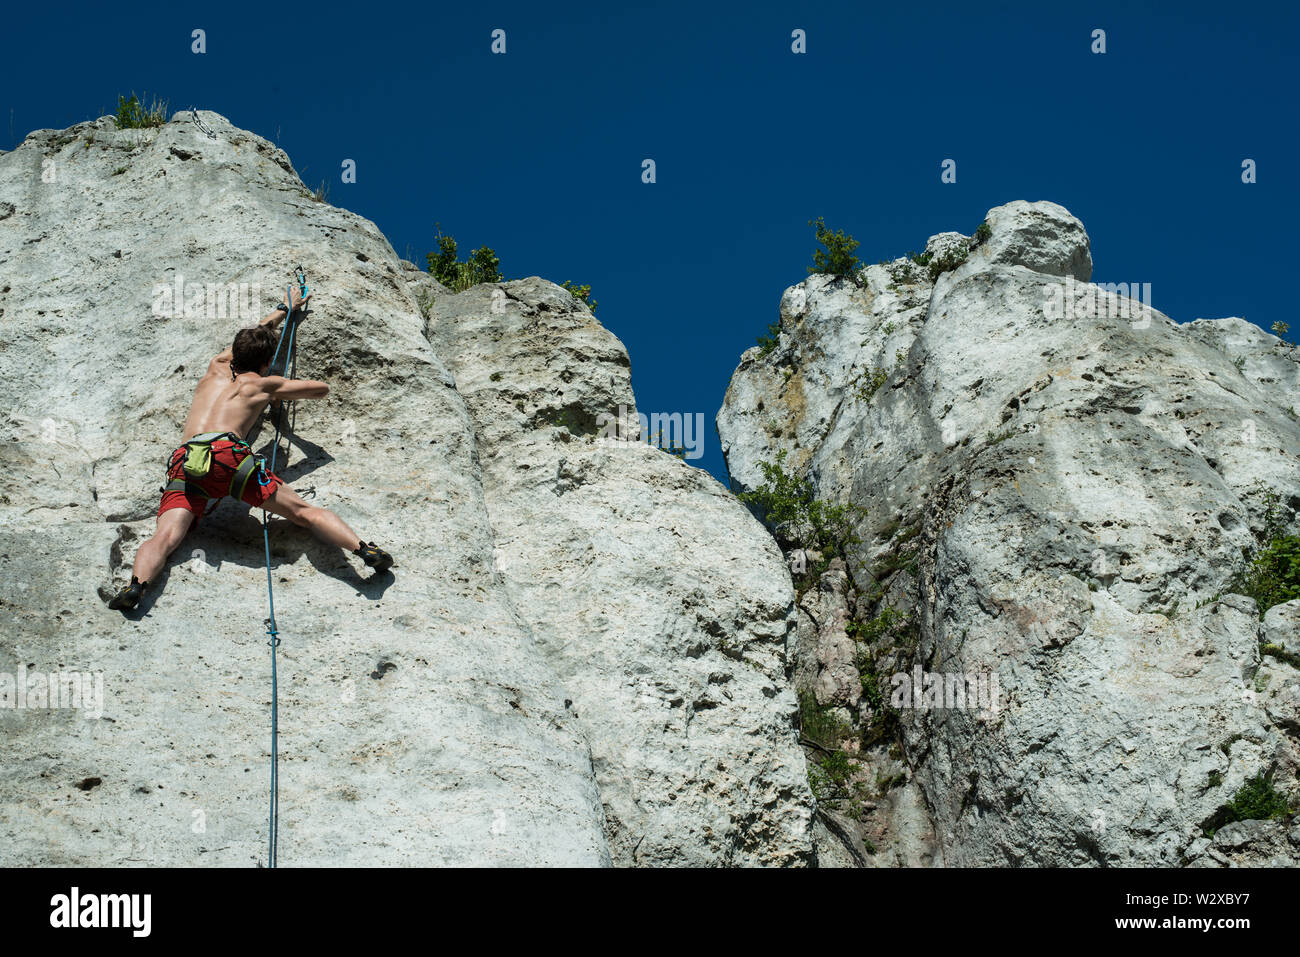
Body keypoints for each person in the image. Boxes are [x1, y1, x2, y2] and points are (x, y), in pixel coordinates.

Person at [106, 285, 393, 611]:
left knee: (165, 537)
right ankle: (363, 550)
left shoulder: (216, 366)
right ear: (267, 362)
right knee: (303, 513)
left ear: (235, 354)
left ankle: (136, 586)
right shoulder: (261, 385)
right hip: (229, 459)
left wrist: (283, 311)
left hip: (185, 462)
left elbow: (249, 340)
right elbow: (320, 390)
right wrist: (278, 389)